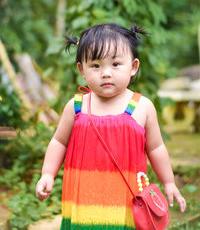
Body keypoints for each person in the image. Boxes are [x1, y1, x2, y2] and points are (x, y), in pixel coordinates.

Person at [36, 23, 186, 230]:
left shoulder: (142, 107)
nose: (106, 73)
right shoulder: (76, 106)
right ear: (82, 69)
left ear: (133, 67)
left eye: (116, 64)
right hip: (83, 196)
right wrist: (47, 174)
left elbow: (156, 148)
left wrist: (169, 182)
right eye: (96, 66)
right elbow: (59, 142)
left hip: (125, 197)